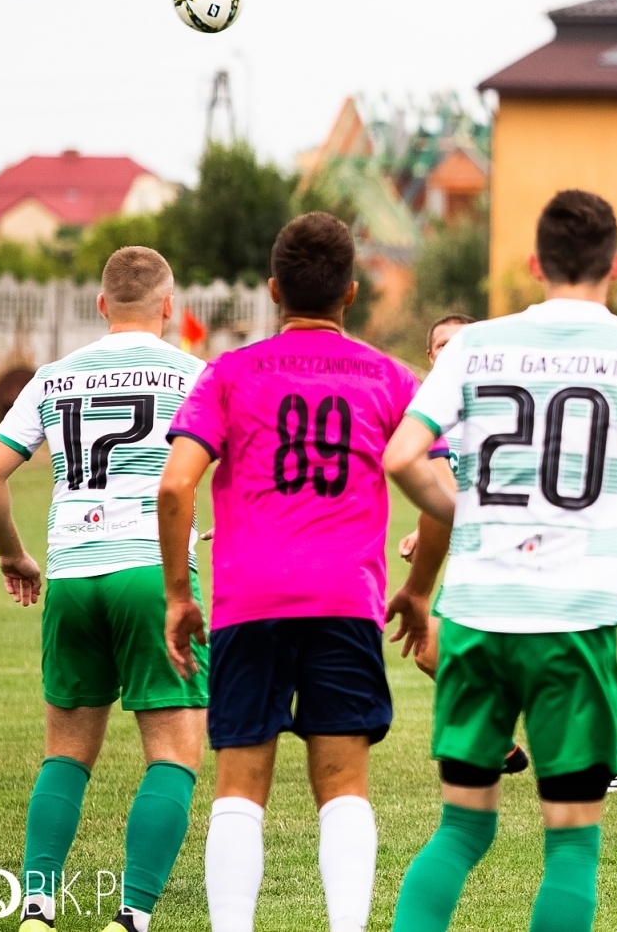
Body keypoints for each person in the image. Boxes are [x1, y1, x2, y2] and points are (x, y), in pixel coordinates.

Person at [382, 189, 617, 932]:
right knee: (570, 845)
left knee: (461, 829)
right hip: (574, 620)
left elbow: (402, 455)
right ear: (616, 264)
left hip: (474, 616)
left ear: (535, 264)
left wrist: (460, 533)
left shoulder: (473, 344)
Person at [158, 213, 434, 932]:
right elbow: (440, 488)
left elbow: (173, 486)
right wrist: (421, 589)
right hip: (347, 599)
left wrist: (179, 594)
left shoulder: (228, 373)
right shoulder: (391, 378)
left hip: (249, 602)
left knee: (239, 787)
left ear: (274, 289)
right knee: (343, 786)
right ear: (351, 291)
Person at [0, 246, 207, 932]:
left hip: (72, 571)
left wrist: (15, 555)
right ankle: (130, 917)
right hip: (151, 573)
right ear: (169, 307)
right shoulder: (194, 374)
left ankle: (38, 908)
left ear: (103, 305)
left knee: (66, 751)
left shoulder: (54, 377)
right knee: (173, 749)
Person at [396, 313, 617, 793]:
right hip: (473, 555)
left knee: (533, 665)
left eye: (459, 342)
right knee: (429, 652)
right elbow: (451, 488)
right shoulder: (436, 416)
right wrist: (420, 531)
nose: (449, 351)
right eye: (440, 345)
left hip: (517, 552)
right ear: (430, 357)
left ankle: (608, 755)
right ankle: (504, 746)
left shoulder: (501, 407)